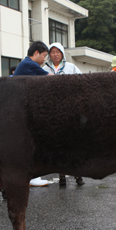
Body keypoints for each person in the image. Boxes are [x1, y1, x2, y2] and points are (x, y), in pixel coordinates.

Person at [43, 42, 84, 186]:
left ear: (62, 53)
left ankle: (78, 175)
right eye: (52, 52)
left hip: (69, 109)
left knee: (73, 143)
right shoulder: (44, 68)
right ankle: (62, 176)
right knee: (58, 144)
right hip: (52, 111)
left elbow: (81, 82)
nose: (55, 54)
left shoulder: (71, 67)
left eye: (57, 52)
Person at [13, 41, 53, 186]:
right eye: (44, 56)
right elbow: (50, 77)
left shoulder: (26, 64)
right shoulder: (29, 64)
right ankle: (31, 177)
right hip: (21, 110)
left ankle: (27, 177)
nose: (44, 59)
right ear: (36, 53)